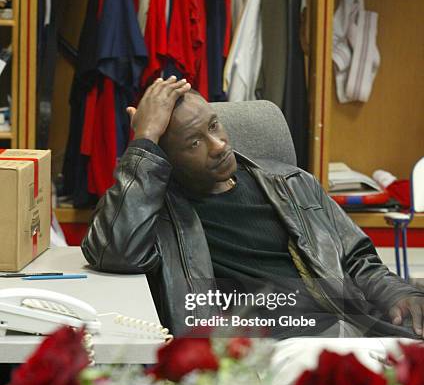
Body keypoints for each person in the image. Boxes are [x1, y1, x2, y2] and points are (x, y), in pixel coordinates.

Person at [82, 75, 424, 346]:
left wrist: (398, 293)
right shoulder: (158, 212)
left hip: (351, 332)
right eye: (194, 143)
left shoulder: (293, 182)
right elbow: (115, 251)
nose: (218, 145)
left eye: (213, 126)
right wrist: (144, 141)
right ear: (166, 158)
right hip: (267, 352)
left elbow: (358, 260)